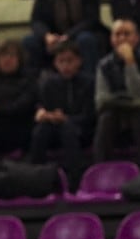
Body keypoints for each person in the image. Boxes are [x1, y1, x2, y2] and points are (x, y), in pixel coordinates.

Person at [92, 19, 140, 163]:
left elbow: (139, 92)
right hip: (115, 114)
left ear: (137, 38)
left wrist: (130, 63)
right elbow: (101, 101)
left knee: (139, 117)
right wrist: (137, 100)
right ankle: (100, 170)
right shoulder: (103, 65)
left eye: (127, 34)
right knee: (106, 118)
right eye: (117, 34)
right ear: (111, 39)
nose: (122, 39)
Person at [28, 40, 93, 175]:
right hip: (55, 127)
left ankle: (75, 178)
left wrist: (66, 118)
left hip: (81, 129)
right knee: (40, 130)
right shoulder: (49, 84)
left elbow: (90, 115)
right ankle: (35, 175)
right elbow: (43, 107)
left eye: (70, 61)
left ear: (79, 61)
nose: (66, 66)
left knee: (67, 129)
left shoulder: (89, 82)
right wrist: (45, 115)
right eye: (61, 61)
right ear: (55, 63)